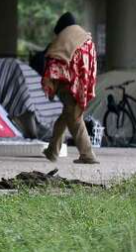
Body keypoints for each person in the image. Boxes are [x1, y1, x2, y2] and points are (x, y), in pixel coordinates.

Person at [41, 12, 99, 164]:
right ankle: (52, 151)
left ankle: (87, 155)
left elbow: (54, 63)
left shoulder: (65, 39)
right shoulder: (86, 38)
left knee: (74, 119)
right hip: (82, 84)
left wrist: (50, 83)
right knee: (66, 117)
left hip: (69, 86)